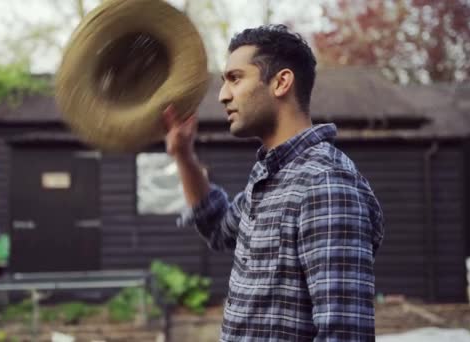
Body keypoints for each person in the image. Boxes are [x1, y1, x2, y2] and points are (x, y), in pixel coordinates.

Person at [163, 25, 384, 341]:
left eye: (235, 78)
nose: (223, 95)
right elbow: (216, 225)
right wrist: (183, 154)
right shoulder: (270, 176)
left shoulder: (325, 184)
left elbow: (345, 335)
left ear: (281, 82)